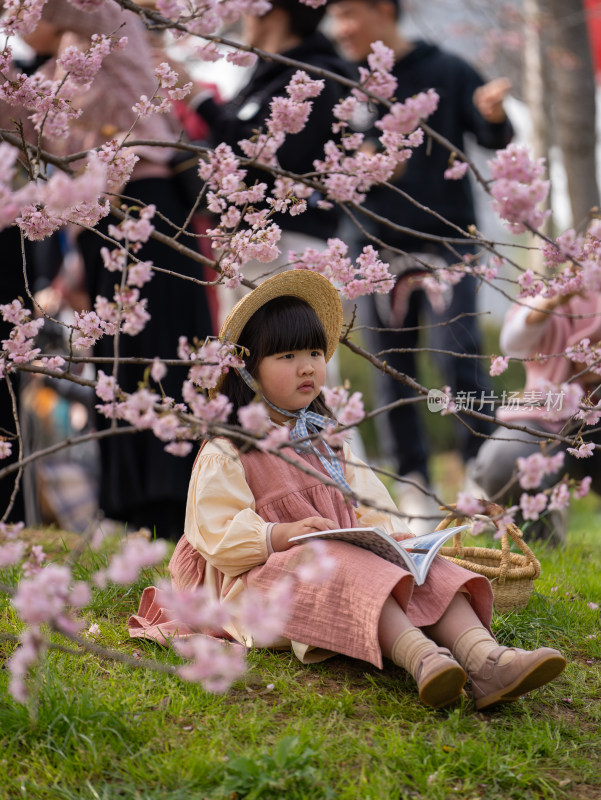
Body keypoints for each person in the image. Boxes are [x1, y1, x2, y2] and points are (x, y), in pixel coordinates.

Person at [130, 269, 566, 710]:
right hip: (263, 586)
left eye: (315, 353)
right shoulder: (229, 449)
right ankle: (423, 658)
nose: (307, 366)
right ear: (247, 371)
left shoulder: (329, 441)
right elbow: (215, 532)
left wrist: (395, 540)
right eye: (287, 356)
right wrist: (279, 535)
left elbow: (368, 503)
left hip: (338, 563)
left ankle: (485, 659)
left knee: (418, 566)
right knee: (340, 564)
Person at [11, 0, 215, 538]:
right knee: (119, 371)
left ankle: (185, 503)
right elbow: (24, 131)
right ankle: (136, 511)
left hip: (148, 210)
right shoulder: (50, 77)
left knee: (164, 359)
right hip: (99, 233)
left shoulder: (112, 28)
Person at [327, 0, 514, 525]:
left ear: (383, 10)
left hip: (447, 241)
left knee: (460, 356)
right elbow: (318, 154)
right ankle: (414, 488)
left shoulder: (445, 69)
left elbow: (491, 132)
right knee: (392, 369)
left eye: (348, 14)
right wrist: (360, 162)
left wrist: (494, 113)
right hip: (371, 246)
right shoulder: (340, 78)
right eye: (334, 17)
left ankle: (481, 474)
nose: (340, 29)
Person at [190, 0, 352, 321]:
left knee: (292, 357)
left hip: (287, 243)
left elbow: (269, 157)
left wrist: (202, 102)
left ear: (274, 12)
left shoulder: (314, 79)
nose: (242, 15)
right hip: (241, 244)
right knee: (238, 362)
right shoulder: (263, 78)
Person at [471, 291, 601, 545]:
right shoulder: (557, 291)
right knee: (502, 463)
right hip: (544, 416)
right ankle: (539, 535)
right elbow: (512, 342)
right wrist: (549, 304)